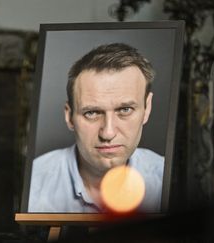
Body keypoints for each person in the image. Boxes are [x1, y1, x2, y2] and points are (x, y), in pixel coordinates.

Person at [28, 43, 164, 213]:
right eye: (92, 113)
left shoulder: (167, 179)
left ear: (147, 108)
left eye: (125, 110)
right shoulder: (32, 181)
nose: (108, 133)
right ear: (69, 116)